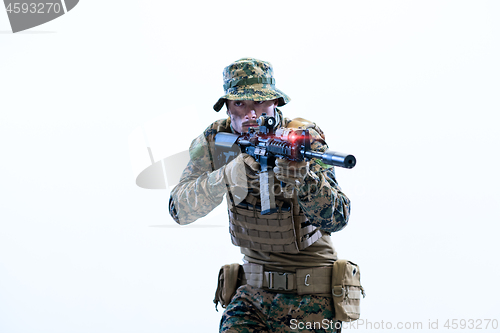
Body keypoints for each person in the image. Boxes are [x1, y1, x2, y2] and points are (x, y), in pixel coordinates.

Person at [169, 58, 351, 332]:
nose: (250, 114)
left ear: (275, 102)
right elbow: (179, 210)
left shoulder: (302, 139)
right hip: (252, 293)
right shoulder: (215, 138)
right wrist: (227, 176)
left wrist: (305, 181)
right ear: (227, 106)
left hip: (310, 292)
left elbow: (338, 217)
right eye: (240, 104)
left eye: (260, 103)